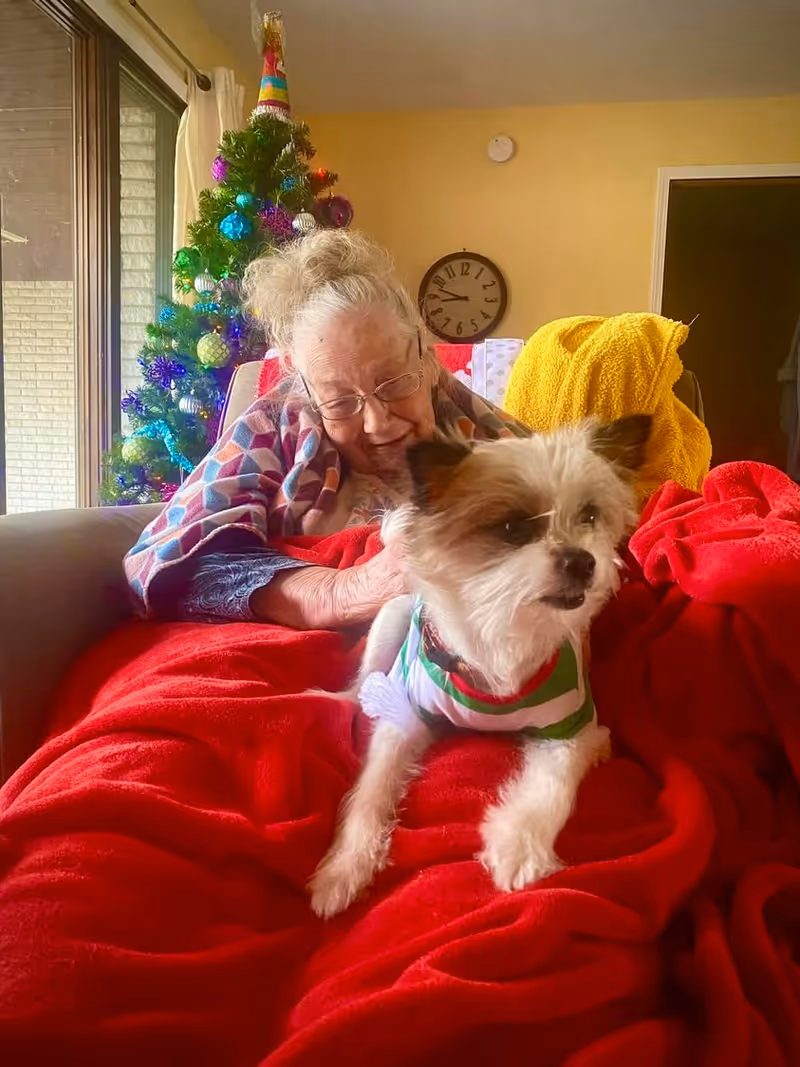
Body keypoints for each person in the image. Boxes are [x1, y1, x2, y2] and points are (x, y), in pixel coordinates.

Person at [125, 231, 528, 631]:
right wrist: (344, 590)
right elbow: (171, 561)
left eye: (395, 383)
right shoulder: (272, 423)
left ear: (425, 356)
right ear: (306, 390)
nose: (377, 422)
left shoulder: (476, 426)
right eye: (340, 403)